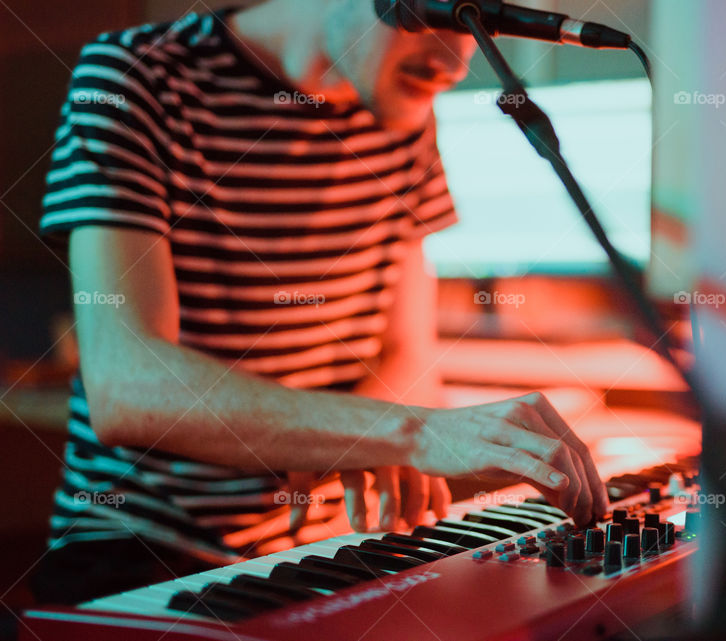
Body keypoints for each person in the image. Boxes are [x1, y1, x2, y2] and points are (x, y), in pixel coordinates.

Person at [31, 0, 606, 604]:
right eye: (432, 11)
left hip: (327, 547)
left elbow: (407, 347)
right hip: (144, 547)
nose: (455, 62)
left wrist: (381, 430)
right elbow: (128, 385)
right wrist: (401, 432)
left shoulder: (402, 103)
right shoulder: (136, 75)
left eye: (475, 21)